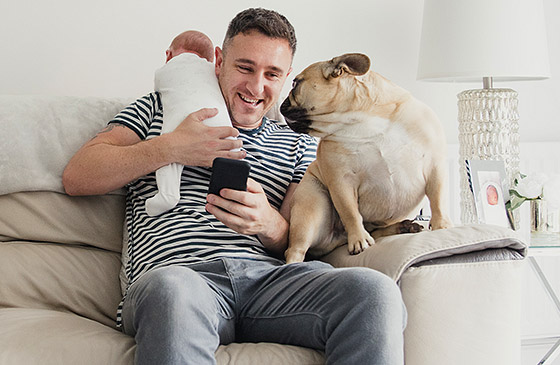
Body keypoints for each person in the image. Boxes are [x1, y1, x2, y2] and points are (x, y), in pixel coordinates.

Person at [62, 7, 406, 365]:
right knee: (170, 291)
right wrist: (173, 147)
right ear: (219, 61)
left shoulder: (299, 143)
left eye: (271, 74)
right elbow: (78, 175)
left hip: (271, 284)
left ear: (287, 77)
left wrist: (269, 225)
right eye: (245, 68)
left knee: (374, 291)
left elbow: (300, 234)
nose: (256, 87)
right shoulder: (162, 109)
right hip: (183, 280)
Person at [145, 30, 236, 216]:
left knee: (172, 147)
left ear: (168, 55)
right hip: (220, 120)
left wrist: (174, 146)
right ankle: (233, 191)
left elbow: (160, 89)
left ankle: (167, 194)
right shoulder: (211, 73)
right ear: (214, 62)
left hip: (184, 120)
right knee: (231, 151)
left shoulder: (166, 70)